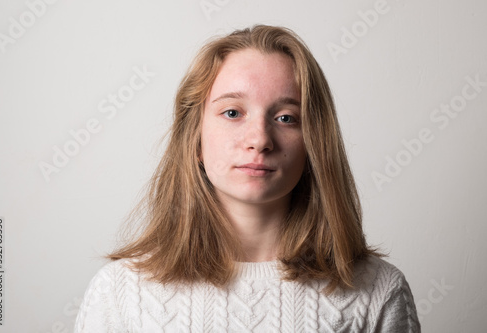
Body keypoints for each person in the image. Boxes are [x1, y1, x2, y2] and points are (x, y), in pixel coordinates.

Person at [75, 25, 420, 332]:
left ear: (315, 142)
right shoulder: (119, 293)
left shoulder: (378, 291)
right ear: (194, 139)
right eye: (232, 113)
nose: (260, 139)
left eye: (286, 118)